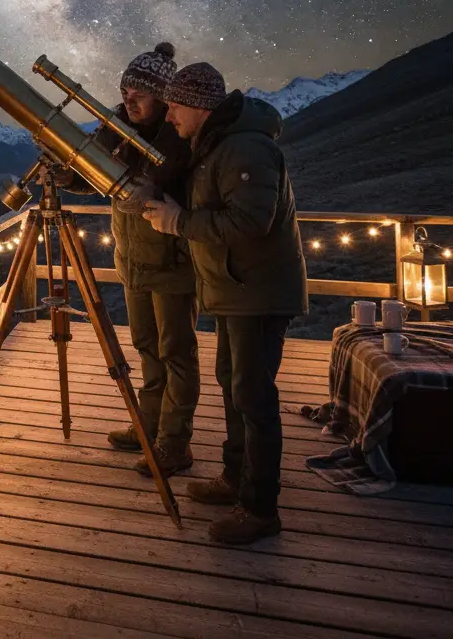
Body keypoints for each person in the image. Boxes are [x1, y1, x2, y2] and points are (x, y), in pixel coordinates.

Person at [142, 62, 308, 544]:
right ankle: (236, 479)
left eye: (175, 106)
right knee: (236, 388)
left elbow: (251, 222)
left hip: (257, 292)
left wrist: (178, 222)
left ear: (198, 106)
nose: (169, 115)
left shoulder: (245, 147)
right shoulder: (216, 143)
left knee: (254, 398)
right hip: (236, 289)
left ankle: (259, 509)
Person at [55, 42, 199, 477]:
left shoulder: (181, 133)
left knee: (176, 354)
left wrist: (156, 190)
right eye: (124, 92)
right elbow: (93, 178)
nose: (129, 101)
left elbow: (191, 189)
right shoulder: (115, 126)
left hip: (172, 261)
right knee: (146, 348)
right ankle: (147, 426)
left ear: (163, 97)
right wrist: (65, 174)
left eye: (140, 94)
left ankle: (174, 442)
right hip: (132, 257)